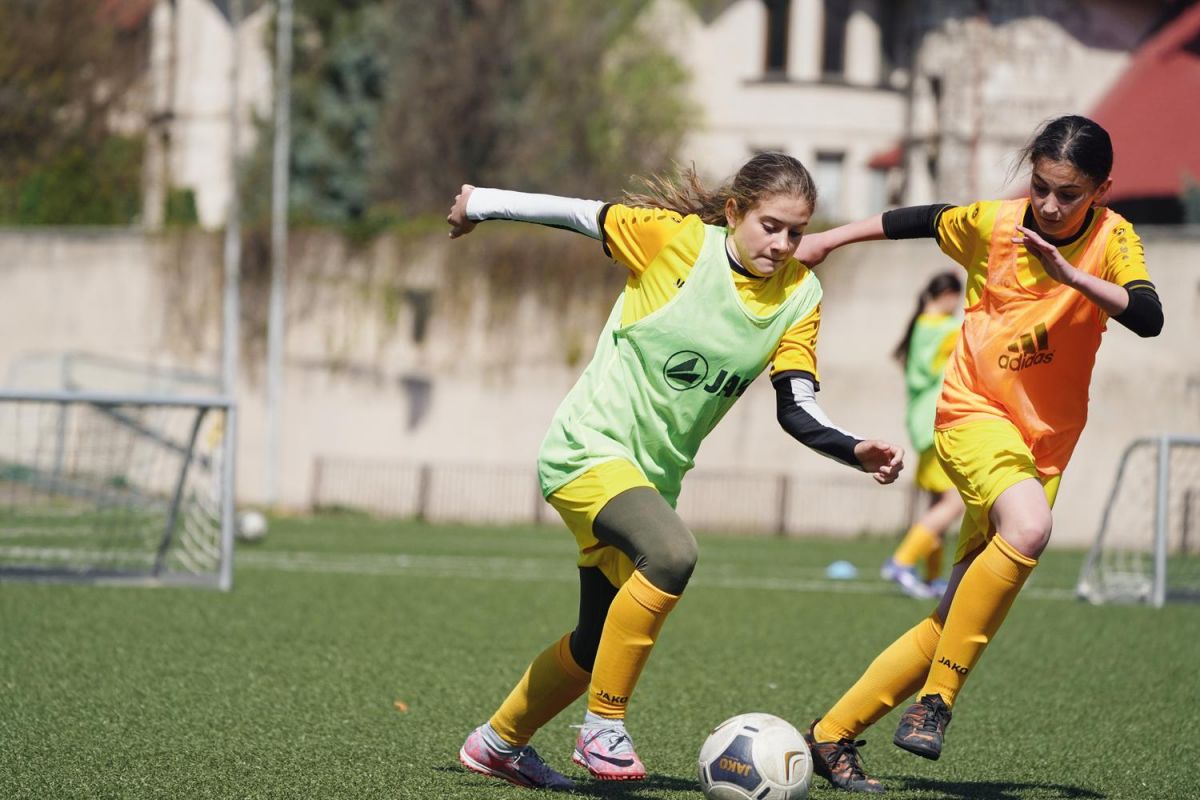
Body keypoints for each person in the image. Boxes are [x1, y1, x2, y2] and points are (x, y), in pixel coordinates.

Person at [445, 152, 905, 790]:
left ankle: (497, 743)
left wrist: (852, 448)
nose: (783, 244)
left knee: (592, 645)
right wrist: (479, 202)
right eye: (770, 226)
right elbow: (581, 214)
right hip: (587, 448)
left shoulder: (800, 294)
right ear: (734, 212)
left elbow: (796, 404)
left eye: (796, 232)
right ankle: (603, 727)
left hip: (653, 479)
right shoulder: (679, 242)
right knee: (672, 553)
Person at [792, 115, 1163, 793]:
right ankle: (936, 702)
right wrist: (829, 239)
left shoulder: (1114, 239)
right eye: (1041, 186)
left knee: (956, 617)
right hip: (973, 415)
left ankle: (831, 734)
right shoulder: (994, 224)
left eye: (1069, 194)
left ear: (1101, 191)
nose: (1050, 205)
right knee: (1031, 528)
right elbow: (919, 218)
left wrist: (1069, 276)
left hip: (1043, 448)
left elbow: (1148, 315)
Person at [880, 272, 966, 599]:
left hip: (924, 425)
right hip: (939, 423)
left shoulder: (921, 326)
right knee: (954, 503)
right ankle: (901, 562)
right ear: (948, 295)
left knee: (936, 504)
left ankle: (931, 578)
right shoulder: (944, 328)